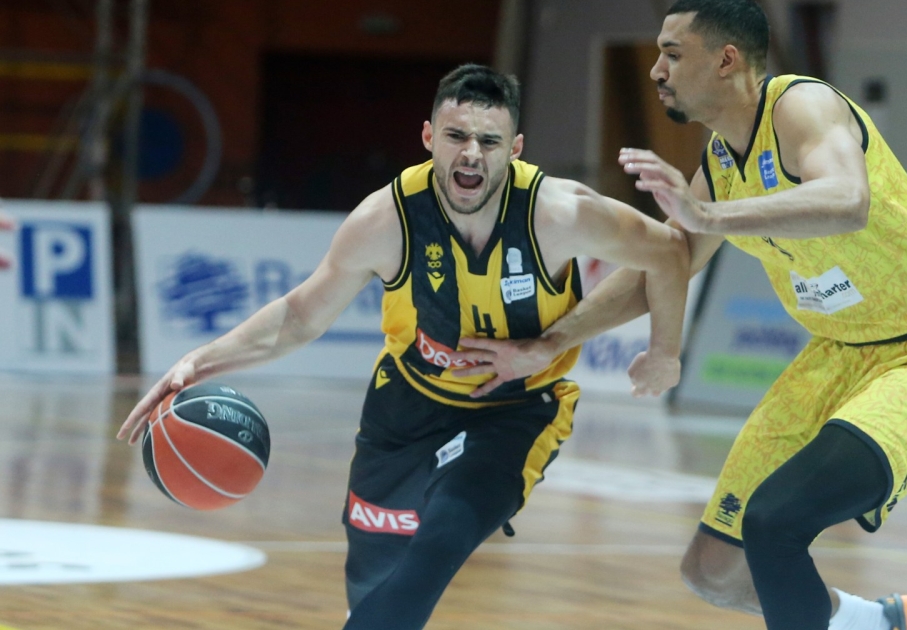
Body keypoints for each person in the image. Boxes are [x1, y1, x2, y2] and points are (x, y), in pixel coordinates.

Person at [449, 2, 907, 629]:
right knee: (713, 570)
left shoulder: (801, 106)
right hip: (835, 357)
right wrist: (551, 342)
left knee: (775, 522)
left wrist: (708, 216)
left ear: (726, 59)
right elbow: (666, 261)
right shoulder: (723, 159)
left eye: (672, 54)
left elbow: (848, 199)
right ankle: (878, 623)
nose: (656, 70)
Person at [116, 65, 690, 630]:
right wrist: (199, 361)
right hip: (407, 404)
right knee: (372, 576)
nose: (472, 154)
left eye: (489, 141)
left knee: (438, 545)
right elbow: (299, 316)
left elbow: (669, 251)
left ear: (514, 149)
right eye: (457, 136)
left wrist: (662, 351)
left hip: (515, 410)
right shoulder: (386, 219)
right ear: (428, 137)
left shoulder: (559, 213)